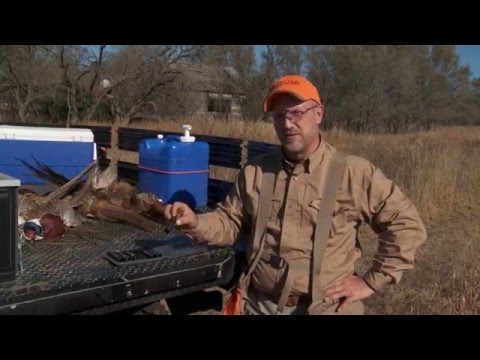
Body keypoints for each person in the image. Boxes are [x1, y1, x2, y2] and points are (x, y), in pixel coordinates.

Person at [163, 75, 427, 315]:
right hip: (258, 304)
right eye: (278, 116)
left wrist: (370, 281)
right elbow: (230, 222)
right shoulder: (256, 172)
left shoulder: (354, 173)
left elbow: (407, 226)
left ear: (318, 113)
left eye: (297, 113)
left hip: (326, 307)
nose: (287, 124)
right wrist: (195, 223)